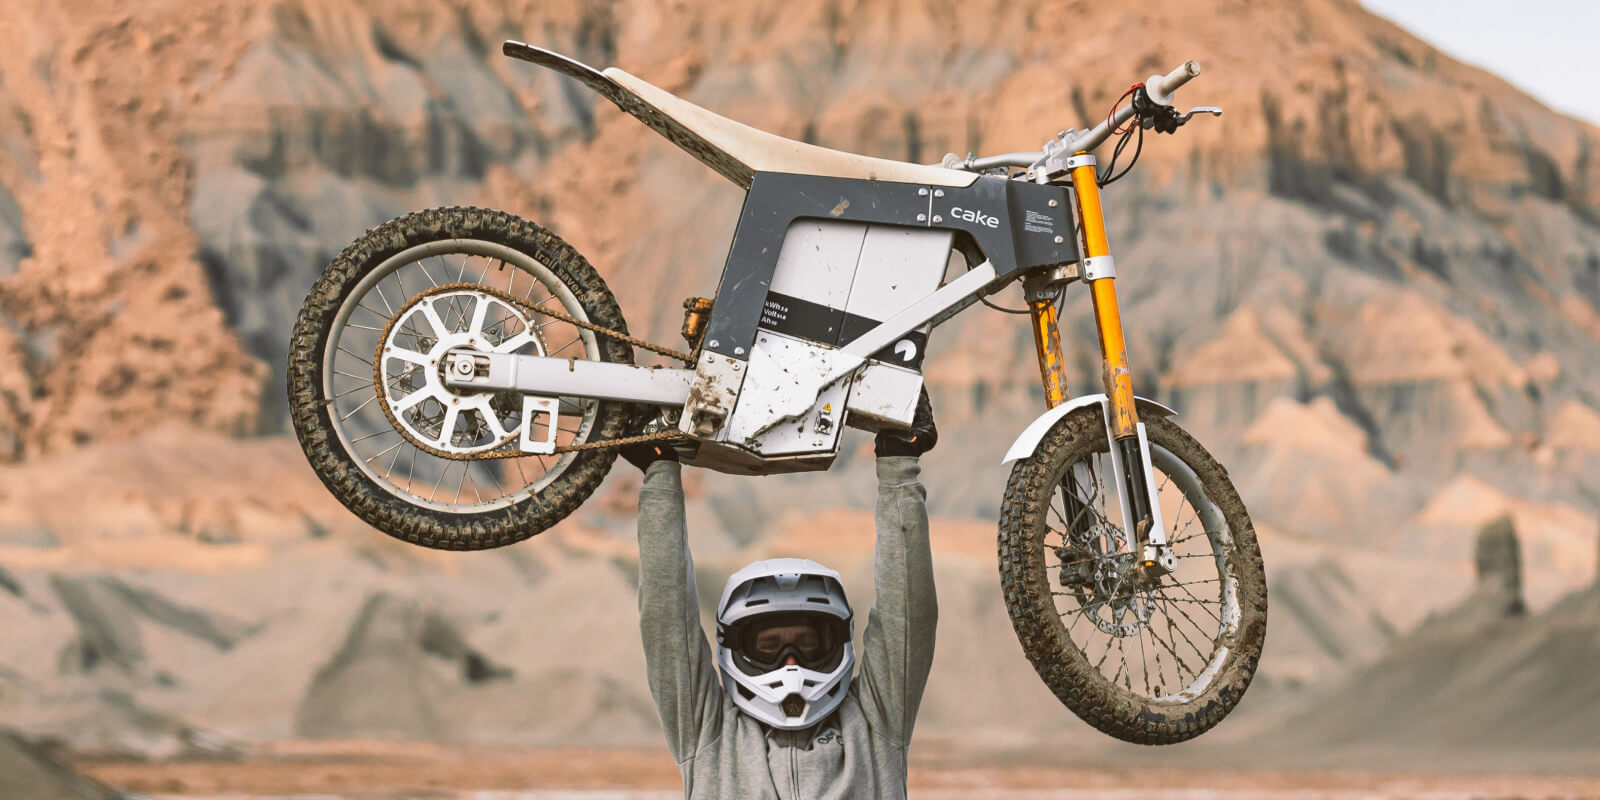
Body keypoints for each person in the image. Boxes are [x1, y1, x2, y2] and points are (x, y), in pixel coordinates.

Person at [621, 395, 939, 799]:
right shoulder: (710, 734)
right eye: (769, 646)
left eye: (807, 643)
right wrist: (659, 473)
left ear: (836, 640)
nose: (791, 662)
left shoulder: (875, 724)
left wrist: (900, 468)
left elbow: (908, 617)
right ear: (736, 648)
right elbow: (666, 621)